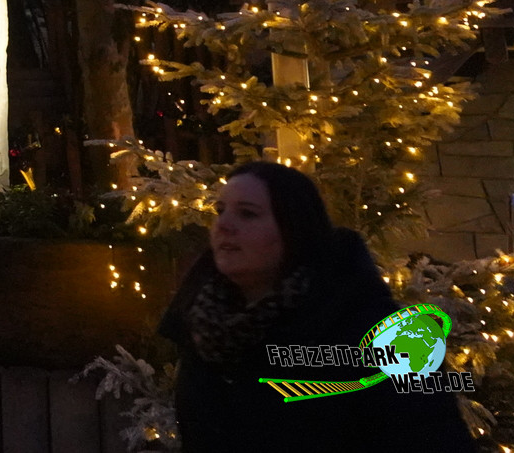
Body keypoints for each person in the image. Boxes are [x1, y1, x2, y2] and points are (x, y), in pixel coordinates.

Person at [159, 161, 477, 453]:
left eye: (248, 214)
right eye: (220, 210)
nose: (224, 225)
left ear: (293, 229)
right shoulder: (206, 326)